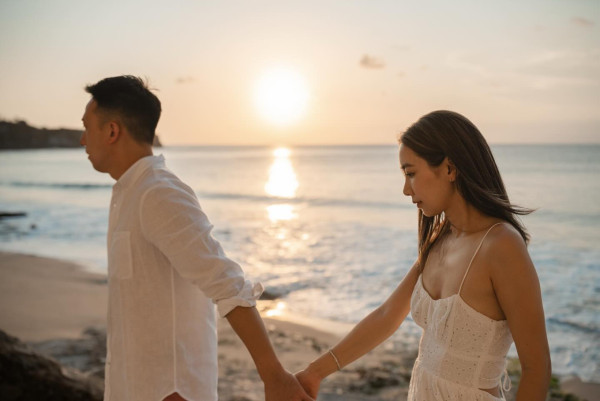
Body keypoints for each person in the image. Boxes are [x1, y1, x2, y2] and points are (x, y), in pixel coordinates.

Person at [80, 75, 313, 401]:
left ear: (112, 131)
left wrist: (274, 376)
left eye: (86, 127)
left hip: (169, 392)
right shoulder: (127, 193)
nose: (82, 139)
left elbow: (228, 284)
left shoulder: (158, 193)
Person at [296, 110, 552, 400]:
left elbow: (537, 366)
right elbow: (387, 315)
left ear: (449, 169)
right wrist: (314, 372)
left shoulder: (502, 246)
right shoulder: (441, 237)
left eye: (411, 173)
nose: (406, 189)